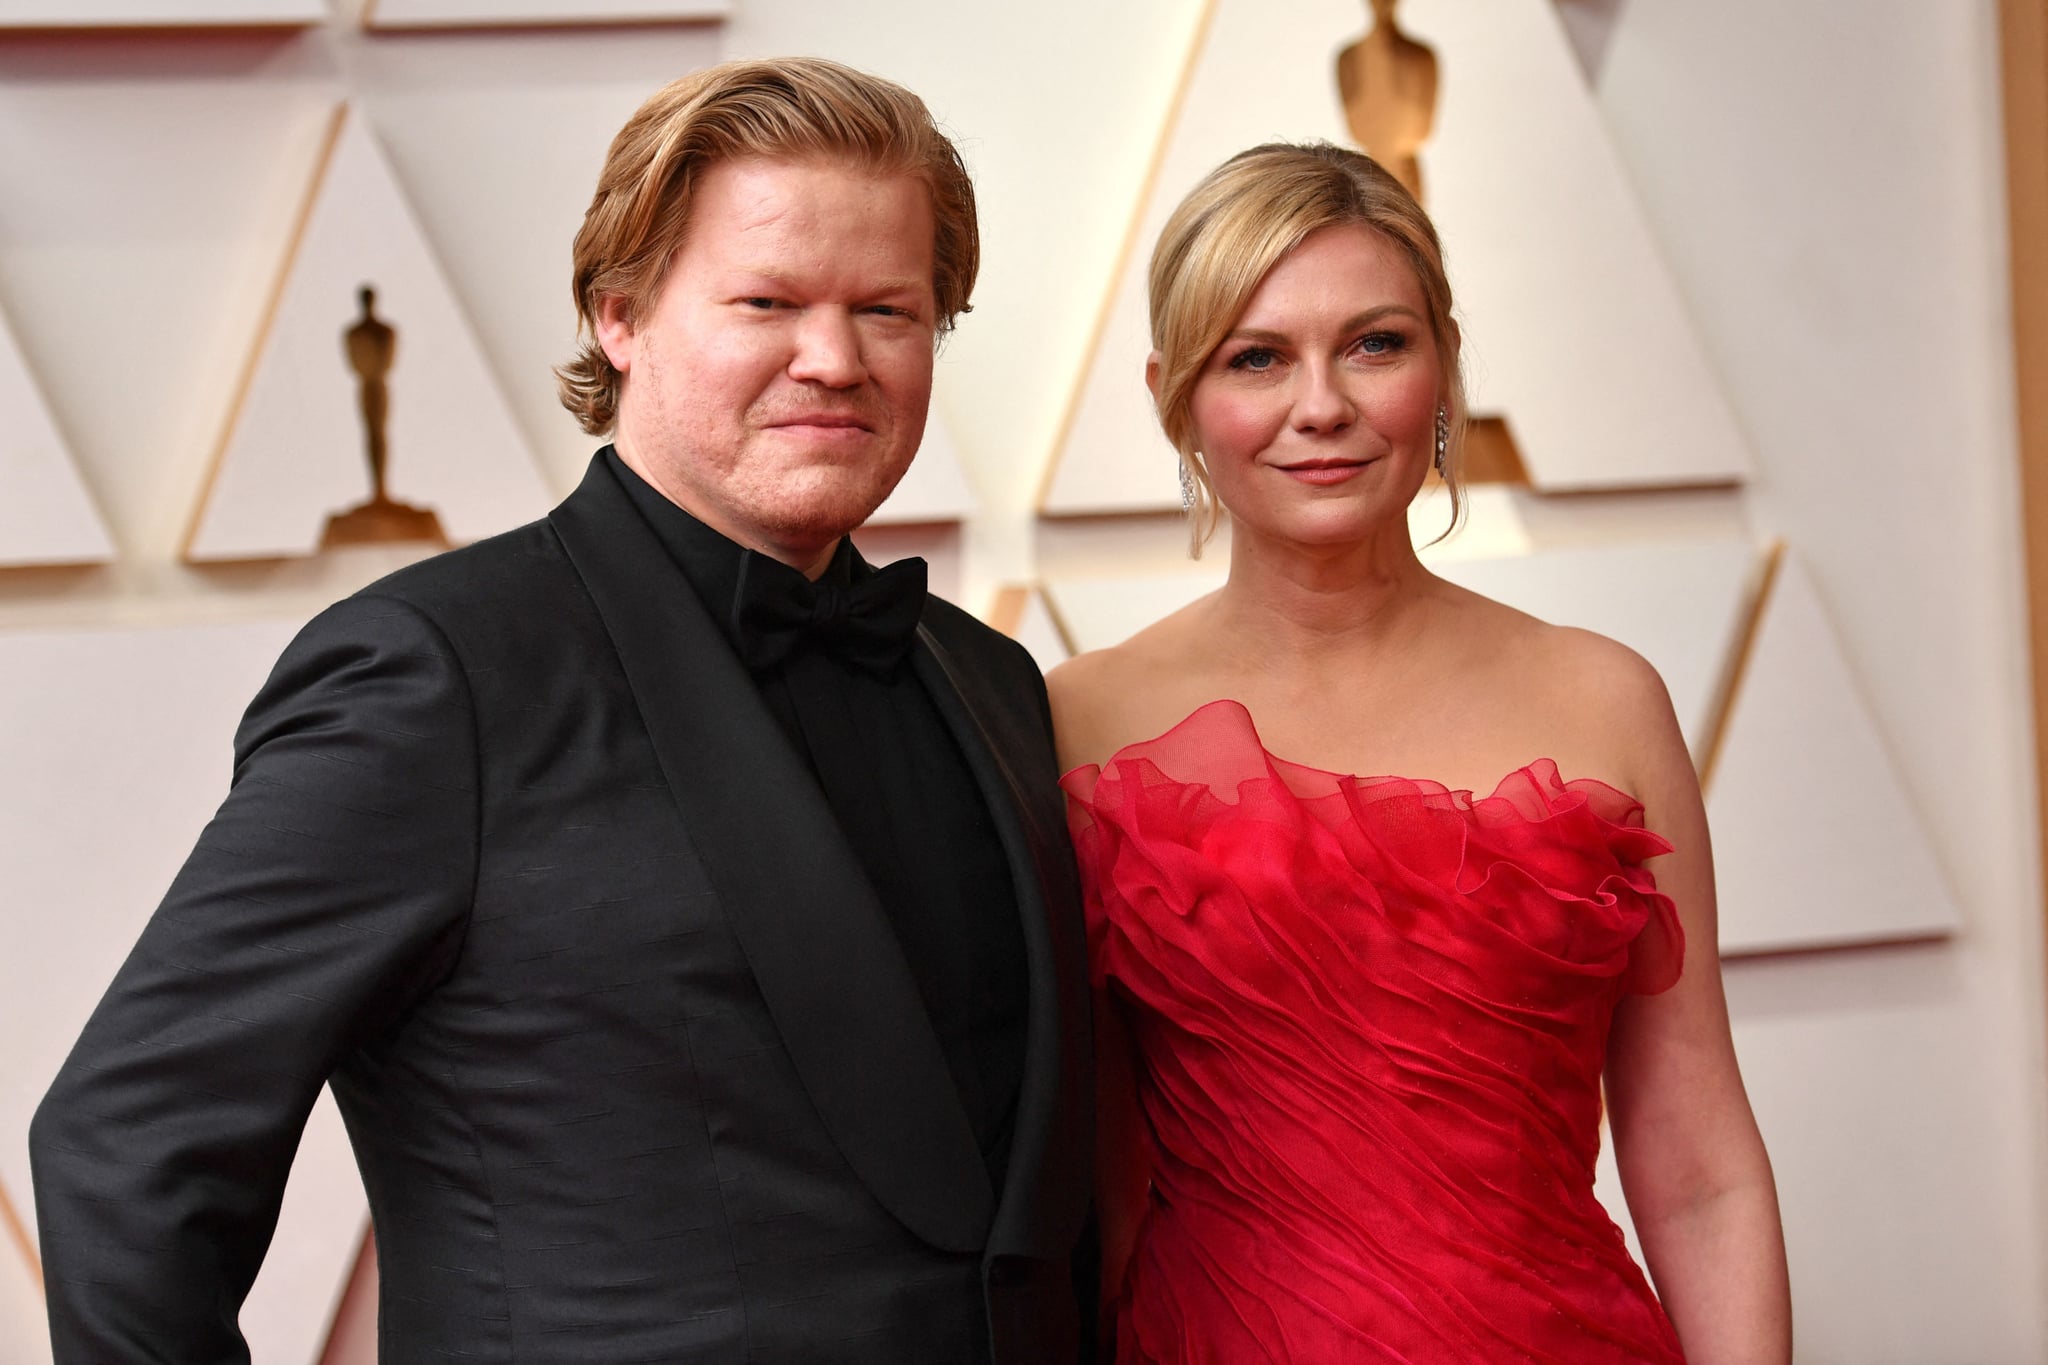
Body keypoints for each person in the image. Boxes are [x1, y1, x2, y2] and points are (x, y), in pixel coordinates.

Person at [32, 58, 1091, 1365]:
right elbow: (125, 1143)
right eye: (768, 300)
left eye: (890, 308)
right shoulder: (436, 674)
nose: (835, 358)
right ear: (622, 316)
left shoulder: (989, 682)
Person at [1049, 142, 1789, 1362]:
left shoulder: (1601, 698)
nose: (1321, 405)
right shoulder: (1075, 720)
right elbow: (1098, 1186)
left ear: (1441, 366)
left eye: (1374, 344)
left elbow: (1699, 1168)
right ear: (1175, 397)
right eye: (1255, 358)